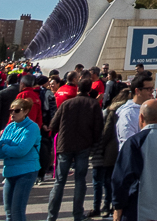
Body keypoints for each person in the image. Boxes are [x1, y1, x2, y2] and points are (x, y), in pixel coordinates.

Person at [48, 78, 104, 221]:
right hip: (83, 145)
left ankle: (52, 216)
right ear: (89, 90)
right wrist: (93, 142)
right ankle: (77, 215)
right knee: (80, 180)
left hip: (65, 144)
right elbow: (98, 128)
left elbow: (53, 124)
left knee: (59, 181)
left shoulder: (67, 104)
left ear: (78, 88)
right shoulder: (93, 105)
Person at [0, 97, 42, 221]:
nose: (13, 113)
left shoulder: (32, 127)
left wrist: (6, 147)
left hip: (26, 171)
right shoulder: (10, 127)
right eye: (11, 110)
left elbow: (22, 150)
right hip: (10, 172)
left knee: (17, 211)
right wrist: (8, 148)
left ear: (26, 111)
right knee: (9, 212)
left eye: (17, 110)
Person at [91, 88, 128, 219]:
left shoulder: (112, 110)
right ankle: (115, 206)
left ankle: (106, 205)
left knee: (108, 179)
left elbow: (106, 131)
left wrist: (102, 147)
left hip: (111, 149)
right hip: (121, 148)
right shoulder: (127, 110)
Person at [116, 75, 155, 148]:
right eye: (148, 89)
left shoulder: (151, 108)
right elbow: (128, 143)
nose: (152, 91)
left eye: (152, 88)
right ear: (137, 91)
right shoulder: (128, 114)